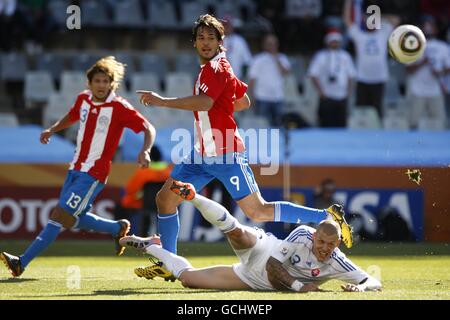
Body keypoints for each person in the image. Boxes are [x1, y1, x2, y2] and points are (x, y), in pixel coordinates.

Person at [136, 14, 353, 258]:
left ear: (220, 42)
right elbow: (243, 101)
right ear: (194, 42)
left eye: (211, 37)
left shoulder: (216, 68)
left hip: (226, 153)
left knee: (258, 211)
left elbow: (207, 103)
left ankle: (326, 215)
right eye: (201, 37)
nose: (205, 42)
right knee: (165, 200)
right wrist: (222, 107)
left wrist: (163, 101)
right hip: (201, 153)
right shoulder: (216, 67)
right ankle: (168, 262)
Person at [0, 56, 156, 278]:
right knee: (72, 219)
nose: (101, 85)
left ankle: (21, 262)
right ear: (89, 83)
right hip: (75, 169)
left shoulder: (119, 107)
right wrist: (52, 129)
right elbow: (72, 115)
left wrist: (145, 150)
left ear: (112, 84)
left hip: (93, 174)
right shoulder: (83, 99)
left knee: (59, 215)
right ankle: (116, 228)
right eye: (97, 81)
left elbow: (148, 128)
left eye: (105, 81)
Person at [120, 181, 381, 293]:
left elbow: (373, 282)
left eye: (329, 245)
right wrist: (302, 287)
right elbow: (273, 266)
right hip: (266, 253)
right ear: (314, 237)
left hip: (253, 281)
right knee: (237, 233)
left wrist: (360, 287)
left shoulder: (337, 261)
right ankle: (192, 196)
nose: (323, 248)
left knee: (188, 280)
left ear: (337, 245)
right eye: (320, 242)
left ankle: (153, 247)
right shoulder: (303, 233)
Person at [343, 0, 400, 118]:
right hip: (362, 77)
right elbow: (347, 20)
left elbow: (396, 20)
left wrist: (379, 17)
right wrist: (348, 3)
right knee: (360, 108)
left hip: (379, 77)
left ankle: (378, 134)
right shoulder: (359, 34)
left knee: (377, 108)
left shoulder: (383, 32)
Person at [406, 16, 450, 129]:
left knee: (440, 123)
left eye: (431, 25)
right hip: (417, 90)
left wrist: (439, 72)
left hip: (435, 90)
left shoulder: (443, 47)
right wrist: (423, 63)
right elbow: (408, 69)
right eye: (426, 25)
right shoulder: (413, 45)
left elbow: (448, 68)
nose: (428, 28)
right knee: (413, 123)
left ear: (436, 29)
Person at [120, 146, 171, 236]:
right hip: (165, 204)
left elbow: (131, 189)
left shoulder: (144, 171)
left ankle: (143, 238)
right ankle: (164, 240)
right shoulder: (169, 171)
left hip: (147, 204)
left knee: (144, 218)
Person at [308, 29, 356, 127]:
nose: (334, 43)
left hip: (342, 96)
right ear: (328, 42)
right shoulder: (320, 56)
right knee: (325, 124)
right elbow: (313, 74)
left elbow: (351, 76)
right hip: (326, 96)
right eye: (332, 41)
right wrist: (320, 92)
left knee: (341, 125)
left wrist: (348, 92)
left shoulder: (345, 56)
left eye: (336, 41)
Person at [248, 33, 291, 126]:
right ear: (264, 45)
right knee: (263, 126)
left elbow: (286, 72)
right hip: (262, 97)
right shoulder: (257, 59)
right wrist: (251, 97)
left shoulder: (282, 58)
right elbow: (252, 80)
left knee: (279, 125)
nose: (271, 46)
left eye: (273, 43)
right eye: (269, 43)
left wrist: (276, 58)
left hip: (278, 97)